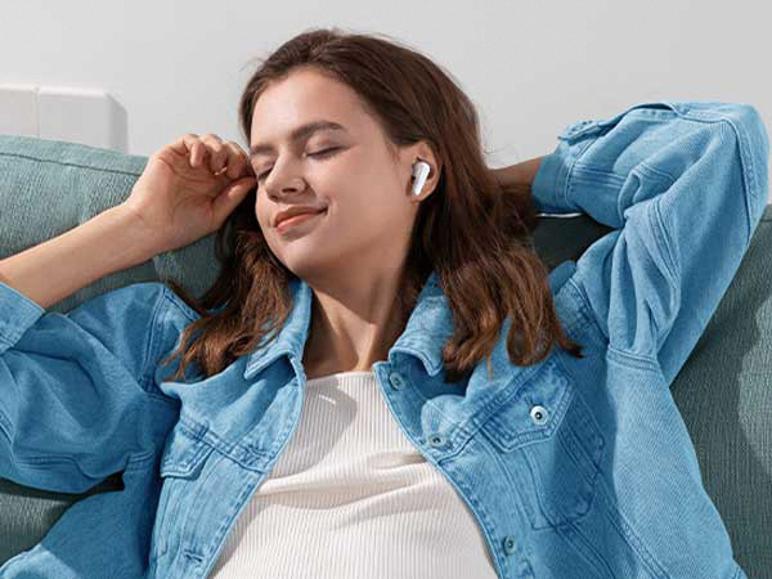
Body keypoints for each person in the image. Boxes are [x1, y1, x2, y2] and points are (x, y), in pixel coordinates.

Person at [0, 27, 767, 579]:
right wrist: (135, 228)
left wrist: (469, 188)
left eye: (322, 147)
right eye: (264, 163)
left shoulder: (562, 335)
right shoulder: (191, 357)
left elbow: (718, 149)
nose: (282, 182)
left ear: (418, 169)